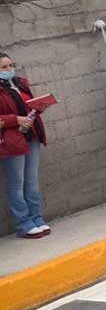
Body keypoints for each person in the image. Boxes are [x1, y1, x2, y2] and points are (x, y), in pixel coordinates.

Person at [0, 53, 50, 238]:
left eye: (11, 65)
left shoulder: (20, 82)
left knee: (31, 181)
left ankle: (37, 218)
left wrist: (39, 107)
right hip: (12, 141)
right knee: (16, 183)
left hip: (32, 136)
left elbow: (28, 106)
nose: (9, 69)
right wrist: (16, 119)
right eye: (4, 67)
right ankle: (23, 223)